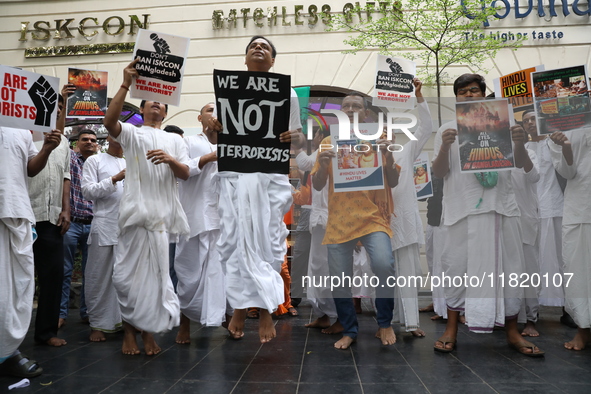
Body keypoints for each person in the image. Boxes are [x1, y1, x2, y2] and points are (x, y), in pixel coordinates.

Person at [431, 73, 543, 356]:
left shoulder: (503, 124)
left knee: (509, 271)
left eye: (474, 90)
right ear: (456, 97)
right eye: (463, 92)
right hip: (462, 210)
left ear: (483, 94)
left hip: (501, 209)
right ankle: (451, 328)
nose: (469, 95)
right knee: (457, 269)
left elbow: (523, 167)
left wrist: (518, 140)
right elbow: (439, 172)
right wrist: (445, 145)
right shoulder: (447, 128)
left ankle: (512, 331)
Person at [209, 35, 301, 343]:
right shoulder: (229, 92)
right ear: (245, 59)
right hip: (236, 174)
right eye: (253, 46)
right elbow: (216, 140)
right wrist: (214, 128)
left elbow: (298, 140)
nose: (258, 49)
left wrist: (292, 137)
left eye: (265, 47)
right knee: (234, 239)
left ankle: (263, 310)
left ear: (273, 60)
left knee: (269, 240)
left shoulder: (287, 93)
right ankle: (239, 306)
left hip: (268, 177)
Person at [103, 58, 191, 355]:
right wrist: (126, 83)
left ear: (166, 111)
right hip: (133, 214)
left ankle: (148, 334)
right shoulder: (132, 133)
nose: (156, 106)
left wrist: (170, 159)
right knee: (126, 277)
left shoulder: (174, 140)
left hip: (161, 219)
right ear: (141, 109)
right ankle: (129, 331)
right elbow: (108, 123)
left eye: (161, 104)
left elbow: (186, 173)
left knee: (156, 278)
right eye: (150, 102)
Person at [312, 93, 399, 350]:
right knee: (339, 278)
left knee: (384, 265)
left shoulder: (379, 140)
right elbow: (317, 183)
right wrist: (325, 161)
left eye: (356, 106)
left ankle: (385, 322)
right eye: (346, 106)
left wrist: (389, 156)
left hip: (373, 218)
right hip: (340, 220)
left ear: (366, 113)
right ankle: (349, 329)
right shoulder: (328, 142)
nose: (350, 109)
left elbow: (392, 181)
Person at [0, 126, 62, 378]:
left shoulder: (22, 129)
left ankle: (6, 351)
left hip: (16, 209)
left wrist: (47, 148)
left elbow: (30, 168)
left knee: (16, 285)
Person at [174, 103, 228, 344]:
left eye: (218, 110)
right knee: (189, 273)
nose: (214, 114)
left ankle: (224, 317)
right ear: (199, 118)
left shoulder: (232, 144)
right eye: (209, 110)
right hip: (194, 216)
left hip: (224, 218)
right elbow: (182, 171)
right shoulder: (187, 142)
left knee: (221, 272)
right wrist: (209, 157)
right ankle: (184, 324)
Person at [522, 109, 575, 329]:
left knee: (562, 261)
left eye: (534, 118)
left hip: (556, 208)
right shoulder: (522, 148)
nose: (530, 123)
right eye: (526, 121)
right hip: (531, 213)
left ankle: (569, 309)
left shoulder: (554, 143)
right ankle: (531, 315)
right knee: (532, 265)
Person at [27, 90, 71, 347]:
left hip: (52, 218)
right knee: (17, 278)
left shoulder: (63, 142)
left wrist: (65, 209)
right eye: (52, 104)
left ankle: (46, 333)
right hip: (24, 216)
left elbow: (66, 177)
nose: (57, 109)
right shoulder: (26, 136)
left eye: (61, 106)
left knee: (53, 275)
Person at [389, 78, 431, 337]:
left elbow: (426, 128)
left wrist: (419, 97)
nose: (384, 135)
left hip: (402, 220)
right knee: (381, 276)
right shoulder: (360, 157)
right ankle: (388, 322)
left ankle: (412, 323)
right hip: (375, 222)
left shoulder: (405, 152)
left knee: (406, 273)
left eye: (387, 131)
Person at [549, 130, 591, 350]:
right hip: (581, 206)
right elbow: (568, 172)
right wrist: (564, 146)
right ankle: (583, 330)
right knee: (580, 271)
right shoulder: (562, 125)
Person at [81, 135, 126, 342]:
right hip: (104, 225)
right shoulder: (95, 160)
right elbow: (87, 192)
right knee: (98, 276)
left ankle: (125, 321)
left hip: (130, 228)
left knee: (126, 278)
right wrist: (115, 179)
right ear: (109, 137)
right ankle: (98, 324)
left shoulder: (132, 161)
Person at [59, 129, 97, 328]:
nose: (89, 142)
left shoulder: (99, 163)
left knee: (90, 272)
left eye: (93, 140)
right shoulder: (72, 159)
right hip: (71, 223)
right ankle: (60, 314)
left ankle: (87, 312)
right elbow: (61, 140)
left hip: (93, 224)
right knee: (65, 270)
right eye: (85, 140)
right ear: (76, 144)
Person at [510, 124, 541, 337]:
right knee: (506, 272)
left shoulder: (528, 152)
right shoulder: (490, 154)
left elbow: (533, 176)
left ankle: (531, 319)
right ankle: (508, 317)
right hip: (501, 220)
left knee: (529, 271)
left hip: (525, 220)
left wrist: (519, 144)